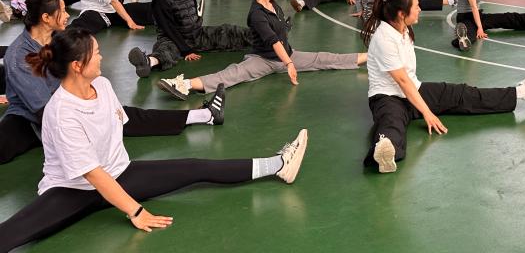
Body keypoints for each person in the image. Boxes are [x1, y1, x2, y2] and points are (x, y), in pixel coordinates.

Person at [0, 28, 306, 252]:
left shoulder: (102, 85)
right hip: (72, 190)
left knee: (195, 168)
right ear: (77, 66)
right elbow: (93, 175)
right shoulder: (61, 112)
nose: (102, 56)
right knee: (13, 233)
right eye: (96, 52)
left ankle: (279, 165)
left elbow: (122, 126)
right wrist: (136, 211)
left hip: (120, 175)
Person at [1, 0, 226, 166]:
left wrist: (97, 108)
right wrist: (82, 127)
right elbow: (44, 111)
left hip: (72, 106)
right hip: (29, 120)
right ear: (46, 18)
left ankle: (204, 115)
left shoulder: (60, 39)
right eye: (61, 11)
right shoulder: (19, 56)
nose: (68, 14)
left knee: (129, 116)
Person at [360, 0, 525, 173]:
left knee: (462, 94)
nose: (419, 9)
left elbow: (409, 83)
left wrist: (424, 107)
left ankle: (522, 92)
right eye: (416, 6)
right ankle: (384, 153)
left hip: (414, 89)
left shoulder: (404, 28)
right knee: (391, 123)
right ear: (401, 14)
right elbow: (402, 81)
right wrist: (427, 113)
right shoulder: (384, 38)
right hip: (387, 97)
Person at [156, 0, 366, 100]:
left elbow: (281, 36)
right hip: (264, 60)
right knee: (231, 75)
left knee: (323, 58)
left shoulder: (274, 4)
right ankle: (183, 84)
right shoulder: (256, 13)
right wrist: (289, 63)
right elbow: (273, 41)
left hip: (287, 55)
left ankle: (369, 57)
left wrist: (288, 57)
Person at [129, 0, 253, 78]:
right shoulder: (160, 1)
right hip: (173, 40)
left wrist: (197, 22)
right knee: (167, 52)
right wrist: (185, 50)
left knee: (228, 31)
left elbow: (193, 10)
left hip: (197, 34)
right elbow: (169, 29)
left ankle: (259, 37)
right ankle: (148, 62)